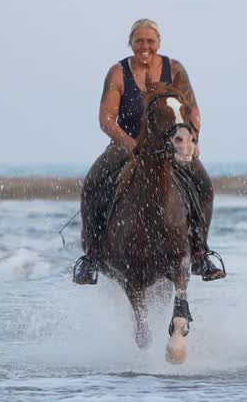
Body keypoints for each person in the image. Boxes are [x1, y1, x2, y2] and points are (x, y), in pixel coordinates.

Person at [73, 19, 226, 284]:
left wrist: (193, 139)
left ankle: (200, 252)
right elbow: (106, 119)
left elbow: (193, 111)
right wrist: (132, 145)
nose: (145, 46)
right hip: (127, 145)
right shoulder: (119, 73)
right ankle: (92, 255)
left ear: (159, 43)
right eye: (139, 41)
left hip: (171, 145)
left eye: (150, 41)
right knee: (92, 183)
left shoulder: (174, 69)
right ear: (131, 43)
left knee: (204, 185)